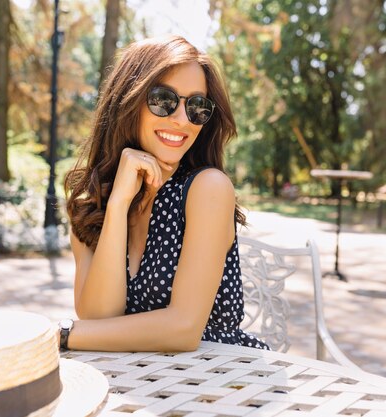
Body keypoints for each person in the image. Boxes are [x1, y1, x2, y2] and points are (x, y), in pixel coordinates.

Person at [63, 35, 268, 352]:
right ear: (128, 103)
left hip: (220, 383)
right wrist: (118, 204)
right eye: (163, 100)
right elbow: (98, 318)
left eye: (197, 107)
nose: (183, 120)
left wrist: (61, 335)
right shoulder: (92, 206)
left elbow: (183, 330)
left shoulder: (207, 189)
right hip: (137, 383)